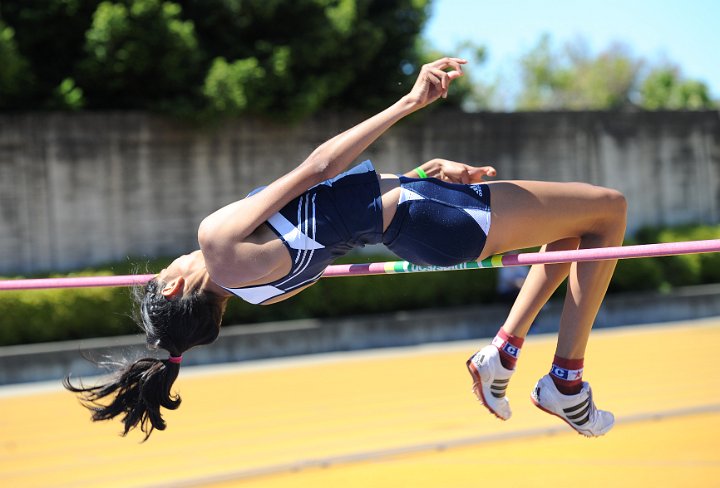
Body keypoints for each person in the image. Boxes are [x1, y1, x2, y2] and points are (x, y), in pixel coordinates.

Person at [65, 57, 626, 440]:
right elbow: (319, 169)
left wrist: (422, 175)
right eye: (162, 270)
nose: (167, 263)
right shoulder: (215, 242)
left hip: (420, 217)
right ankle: (565, 382)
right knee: (609, 210)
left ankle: (503, 353)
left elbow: (335, 221)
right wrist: (409, 103)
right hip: (423, 214)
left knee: (572, 238)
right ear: (172, 285)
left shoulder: (260, 294)